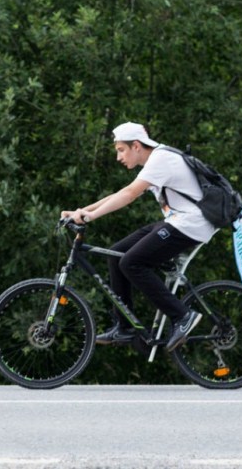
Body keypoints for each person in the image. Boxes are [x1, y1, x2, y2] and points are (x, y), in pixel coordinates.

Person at [61, 122, 217, 351]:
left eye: (121, 150)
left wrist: (90, 216)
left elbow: (129, 194)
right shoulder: (155, 161)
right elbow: (120, 193)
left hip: (191, 224)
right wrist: (82, 211)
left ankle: (183, 316)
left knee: (131, 262)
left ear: (136, 146)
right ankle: (124, 328)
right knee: (116, 253)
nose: (118, 157)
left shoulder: (161, 159)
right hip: (177, 221)